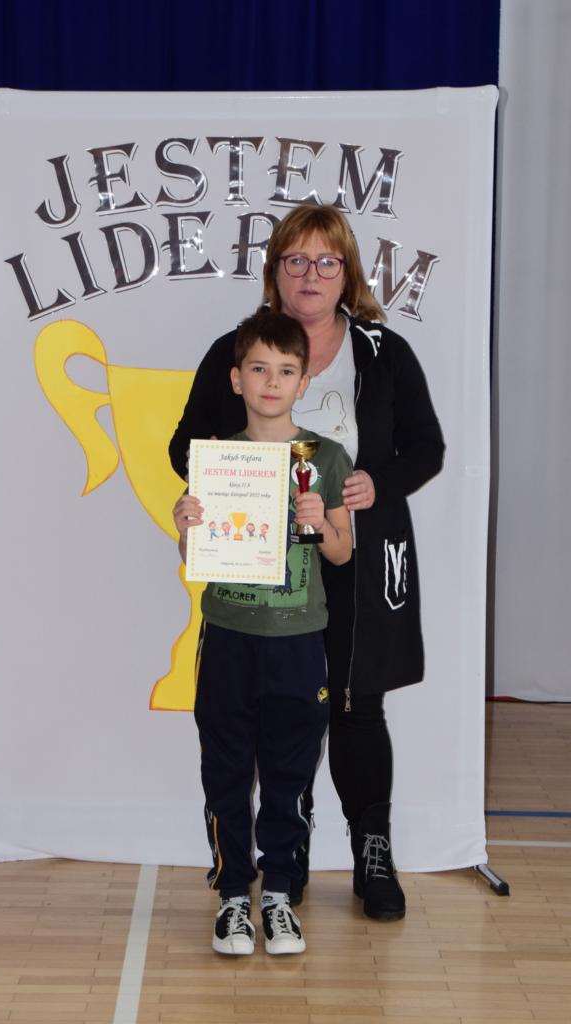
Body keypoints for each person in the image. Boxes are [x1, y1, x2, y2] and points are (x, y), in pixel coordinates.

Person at [170, 204, 445, 922]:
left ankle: (372, 852)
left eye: (327, 261)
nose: (311, 274)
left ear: (347, 273)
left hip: (350, 553)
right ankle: (269, 871)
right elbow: (184, 446)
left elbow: (427, 447)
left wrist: (376, 483)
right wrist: (224, 485)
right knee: (259, 718)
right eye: (295, 260)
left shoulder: (382, 352)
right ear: (275, 272)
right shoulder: (238, 348)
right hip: (257, 569)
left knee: (356, 705)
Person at [173, 311, 353, 956]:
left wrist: (318, 521)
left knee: (288, 773)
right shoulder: (218, 459)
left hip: (299, 641)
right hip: (228, 635)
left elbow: (341, 552)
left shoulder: (324, 458)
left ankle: (278, 895)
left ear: (303, 382)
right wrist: (186, 524)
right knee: (224, 769)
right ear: (236, 379)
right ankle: (232, 898)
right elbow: (196, 553)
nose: (271, 382)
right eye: (258, 369)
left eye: (285, 371)